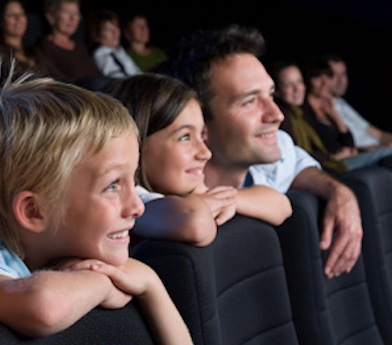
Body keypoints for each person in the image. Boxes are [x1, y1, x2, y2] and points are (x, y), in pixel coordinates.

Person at [0, 71, 196, 345]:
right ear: (35, 211)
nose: (137, 206)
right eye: (113, 186)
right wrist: (101, 282)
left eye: (134, 181)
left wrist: (152, 286)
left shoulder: (86, 247)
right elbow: (43, 306)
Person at [166, 25, 362, 279]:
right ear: (198, 120)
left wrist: (340, 193)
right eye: (249, 101)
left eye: (270, 95)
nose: (277, 114)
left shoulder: (271, 153)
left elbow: (298, 162)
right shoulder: (166, 203)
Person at [107, 74, 291, 247]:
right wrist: (203, 202)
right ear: (135, 146)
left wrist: (231, 200)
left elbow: (282, 206)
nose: (205, 153)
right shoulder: (131, 202)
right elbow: (196, 224)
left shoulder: (188, 197)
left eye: (201, 135)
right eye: (185, 137)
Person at [302, 58, 392, 171]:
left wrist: (335, 116)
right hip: (334, 163)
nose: (324, 83)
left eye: (328, 77)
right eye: (317, 77)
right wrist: (334, 155)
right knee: (387, 153)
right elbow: (310, 148)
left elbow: (349, 141)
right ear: (308, 80)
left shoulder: (330, 108)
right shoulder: (304, 112)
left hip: (351, 155)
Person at [326, 54, 392, 150]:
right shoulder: (325, 108)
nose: (341, 80)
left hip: (380, 150)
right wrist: (380, 149)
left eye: (343, 74)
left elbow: (377, 134)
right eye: (334, 75)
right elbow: (346, 147)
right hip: (368, 154)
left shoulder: (342, 104)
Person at [36, 0, 103, 82]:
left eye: (76, 13)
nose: (73, 18)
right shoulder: (45, 46)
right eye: (66, 12)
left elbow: (97, 75)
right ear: (51, 17)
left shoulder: (80, 46)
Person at [0, 0, 57, 76]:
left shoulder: (34, 52)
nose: (18, 18)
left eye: (21, 13)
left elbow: (59, 77)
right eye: (11, 15)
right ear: (0, 21)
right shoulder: (1, 53)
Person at [87, 10, 141, 78]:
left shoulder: (120, 51)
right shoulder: (101, 53)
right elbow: (116, 78)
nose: (115, 32)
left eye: (116, 27)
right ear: (97, 36)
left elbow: (136, 72)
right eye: (108, 29)